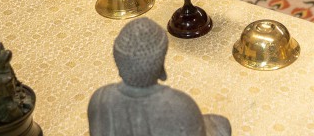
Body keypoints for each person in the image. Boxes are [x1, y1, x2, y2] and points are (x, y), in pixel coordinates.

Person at [88, 17, 230, 136]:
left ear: (119, 64)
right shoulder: (180, 105)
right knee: (221, 124)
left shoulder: (100, 99)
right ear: (160, 65)